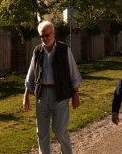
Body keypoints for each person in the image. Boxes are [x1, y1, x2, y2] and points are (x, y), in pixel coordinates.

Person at [23, 21, 82, 154]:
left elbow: (74, 73)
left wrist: (76, 93)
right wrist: (26, 95)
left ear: (54, 33)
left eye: (47, 35)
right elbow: (31, 73)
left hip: (60, 94)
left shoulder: (64, 50)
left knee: (60, 131)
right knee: (42, 132)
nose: (45, 38)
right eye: (42, 36)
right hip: (42, 95)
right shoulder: (37, 51)